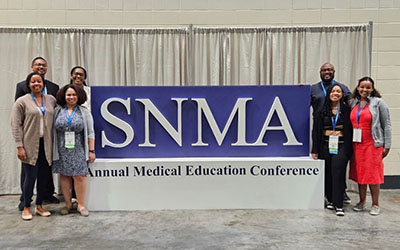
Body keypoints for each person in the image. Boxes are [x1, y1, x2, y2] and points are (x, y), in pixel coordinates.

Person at [15, 57, 60, 211]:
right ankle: (26, 204)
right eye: (33, 82)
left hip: (47, 144)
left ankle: (40, 204)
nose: (36, 84)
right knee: (29, 176)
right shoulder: (22, 99)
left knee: (44, 175)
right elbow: (17, 123)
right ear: (29, 84)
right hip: (29, 143)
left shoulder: (51, 98)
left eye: (39, 82)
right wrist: (19, 146)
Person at [310, 62, 352, 205]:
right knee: (327, 166)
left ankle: (341, 193)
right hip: (321, 131)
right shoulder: (313, 89)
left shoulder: (342, 87)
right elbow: (303, 104)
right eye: (324, 70)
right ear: (320, 72)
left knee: (338, 166)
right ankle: (327, 194)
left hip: (339, 135)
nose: (326, 72)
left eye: (329, 70)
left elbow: (351, 105)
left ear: (334, 71)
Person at [350, 77, 391, 216]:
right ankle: (361, 202)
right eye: (362, 87)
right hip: (357, 144)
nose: (364, 90)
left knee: (373, 176)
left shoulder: (379, 103)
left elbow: (387, 125)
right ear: (358, 87)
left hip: (373, 144)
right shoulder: (353, 103)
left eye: (368, 87)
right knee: (360, 175)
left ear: (372, 89)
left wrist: (387, 145)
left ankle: (375, 204)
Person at [52, 84, 95, 217]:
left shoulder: (84, 111)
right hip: (61, 149)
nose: (71, 97)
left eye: (74, 95)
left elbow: (91, 132)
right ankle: (68, 204)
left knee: (79, 176)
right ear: (64, 97)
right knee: (64, 176)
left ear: (79, 96)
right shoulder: (57, 111)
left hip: (79, 148)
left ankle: (81, 205)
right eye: (69, 95)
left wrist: (91, 150)